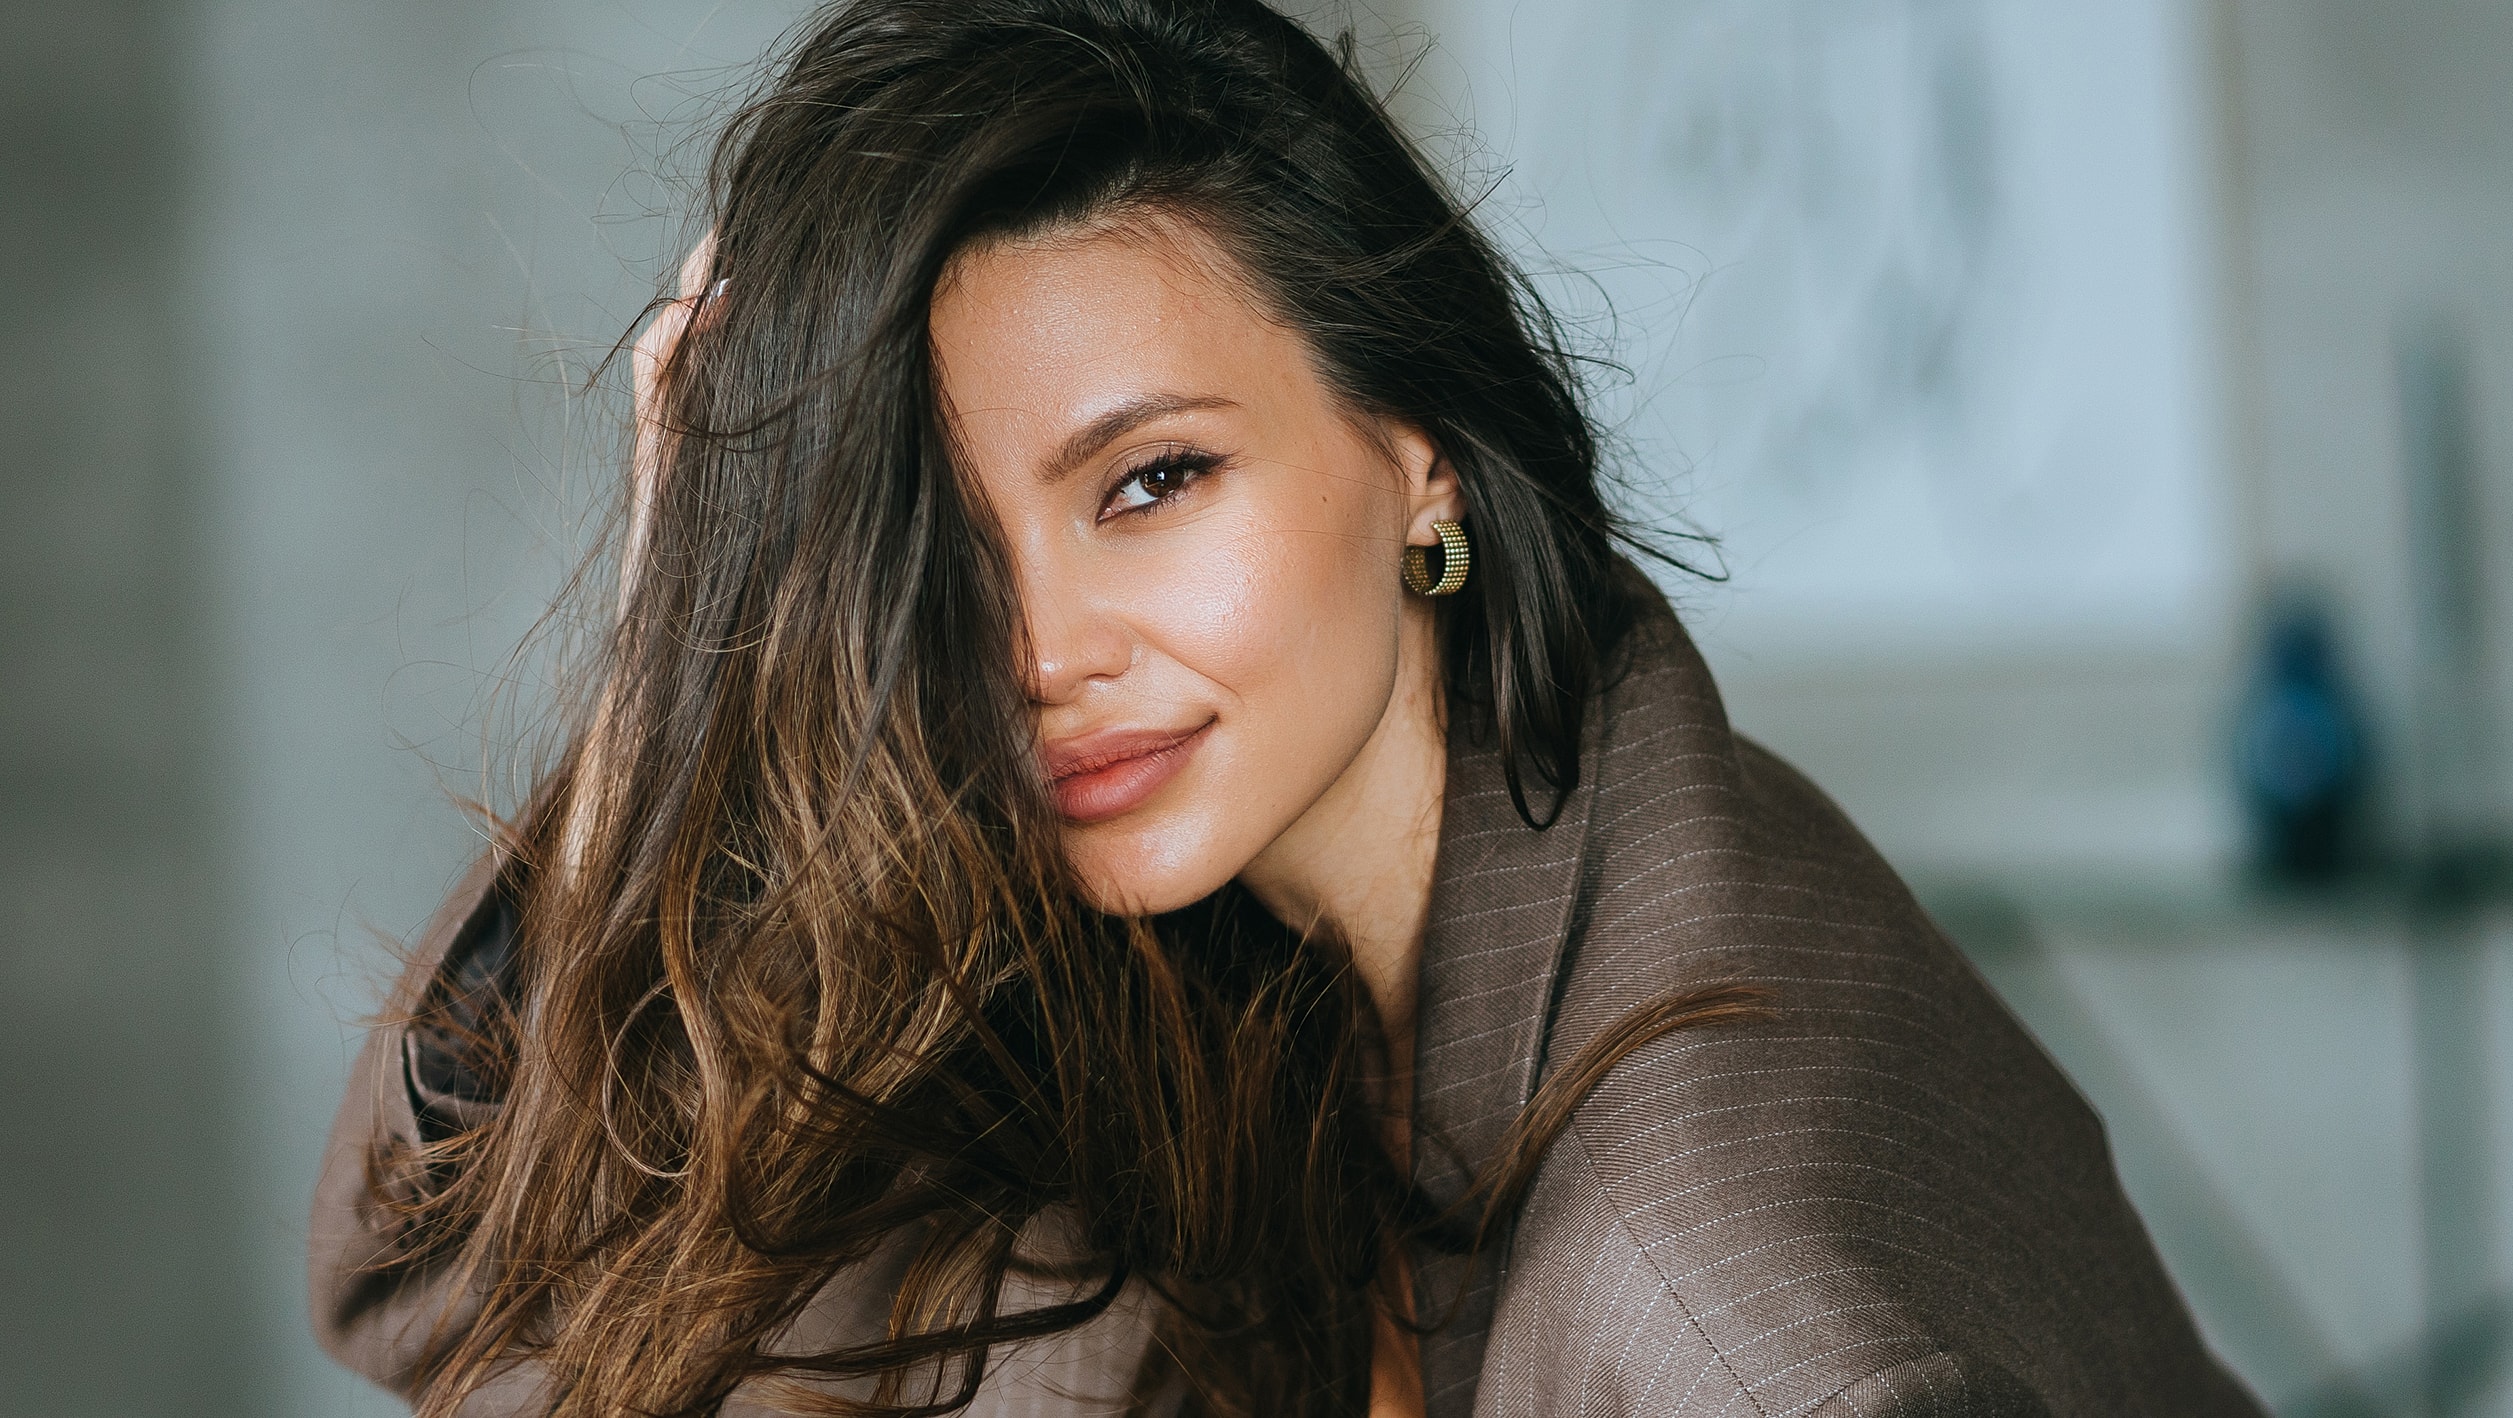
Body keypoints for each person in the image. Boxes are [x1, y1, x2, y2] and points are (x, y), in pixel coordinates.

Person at [308, 1, 2265, 1414]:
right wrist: (694, 644)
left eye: (1150, 481)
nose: (1040, 651)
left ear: (1417, 451)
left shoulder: (1728, 1316)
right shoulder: (1241, 921)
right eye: (952, 549)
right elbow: (456, 1300)